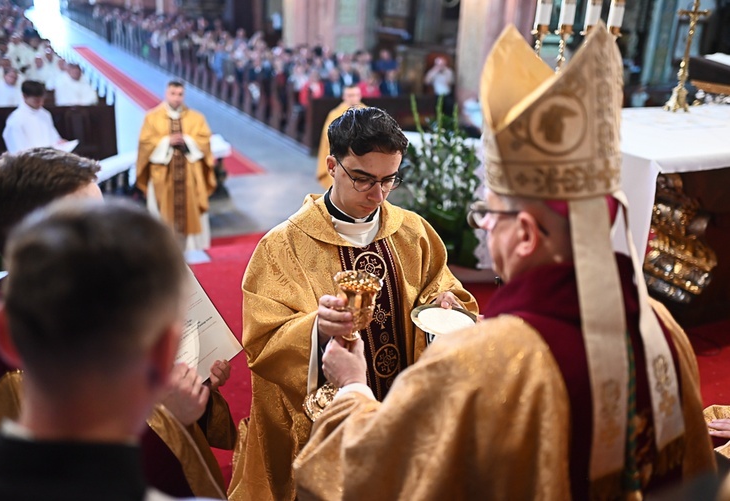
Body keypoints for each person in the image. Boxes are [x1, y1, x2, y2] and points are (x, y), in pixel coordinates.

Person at [293, 24, 716, 499]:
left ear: (528, 234)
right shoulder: (660, 328)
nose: (485, 227)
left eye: (490, 215)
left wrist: (351, 388)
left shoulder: (481, 363)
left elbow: (364, 475)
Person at [228, 106, 478, 501]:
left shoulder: (413, 231)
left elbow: (446, 291)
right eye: (363, 179)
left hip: (402, 414)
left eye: (389, 180)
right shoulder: (282, 247)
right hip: (326, 432)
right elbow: (263, 340)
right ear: (332, 165)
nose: (378, 195)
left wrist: (445, 305)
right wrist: (316, 330)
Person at [0, 148, 234, 499]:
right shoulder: (15, 377)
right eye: (89, 229)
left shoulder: (116, 309)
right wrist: (168, 416)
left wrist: (195, 385)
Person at [136, 80, 216, 251]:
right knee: (162, 215)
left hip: (189, 175)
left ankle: (193, 250)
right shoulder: (152, 117)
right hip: (163, 176)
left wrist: (187, 141)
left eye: (180, 94)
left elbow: (204, 141)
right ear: (166, 93)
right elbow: (145, 143)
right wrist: (167, 141)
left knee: (190, 212)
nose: (177, 98)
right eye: (173, 94)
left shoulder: (196, 118)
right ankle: (164, 251)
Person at [315, 84, 364, 189]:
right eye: (350, 95)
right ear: (344, 97)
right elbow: (328, 136)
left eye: (356, 95)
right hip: (341, 158)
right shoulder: (335, 114)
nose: (354, 98)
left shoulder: (367, 112)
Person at [2, 80, 63, 153]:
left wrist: (60, 143)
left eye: (42, 99)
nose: (41, 103)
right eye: (36, 100)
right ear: (24, 96)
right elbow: (17, 150)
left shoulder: (45, 114)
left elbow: (54, 139)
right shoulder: (16, 119)